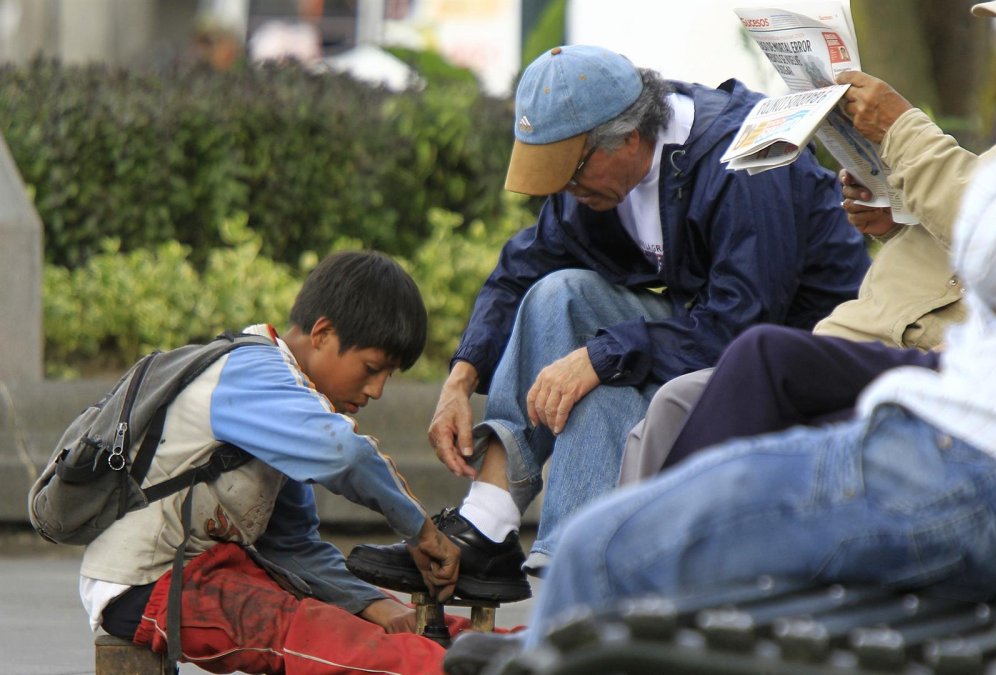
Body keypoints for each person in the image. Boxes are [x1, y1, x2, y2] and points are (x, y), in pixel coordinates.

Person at [468, 4, 996, 660]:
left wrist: (993, 214)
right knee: (617, 360)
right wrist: (468, 367)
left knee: (604, 544)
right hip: (967, 431)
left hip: (972, 454)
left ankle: (570, 632)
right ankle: (512, 546)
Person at [350, 44, 870, 589]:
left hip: (801, 356)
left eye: (572, 174)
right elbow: (520, 271)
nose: (567, 193)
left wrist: (602, 355)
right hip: (711, 337)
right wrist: (460, 380)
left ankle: (570, 571)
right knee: (559, 295)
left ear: (628, 138)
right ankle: (490, 528)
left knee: (603, 384)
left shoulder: (745, 157)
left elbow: (743, 329)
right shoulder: (598, 180)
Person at [617, 0, 996, 485]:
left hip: (928, 366)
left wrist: (901, 129)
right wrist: (899, 213)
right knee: (675, 404)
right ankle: (618, 571)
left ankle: (658, 561)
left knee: (759, 356)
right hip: (870, 341)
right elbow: (987, 214)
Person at [80, 250, 464, 675]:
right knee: (326, 641)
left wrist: (377, 606)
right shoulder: (250, 372)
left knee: (407, 629)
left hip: (216, 571)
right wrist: (421, 531)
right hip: (146, 583)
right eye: (372, 368)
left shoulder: (290, 404)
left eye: (388, 376)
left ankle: (502, 653)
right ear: (322, 333)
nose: (376, 390)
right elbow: (345, 453)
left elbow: (292, 548)